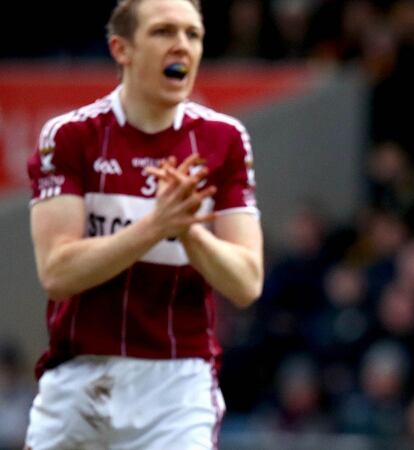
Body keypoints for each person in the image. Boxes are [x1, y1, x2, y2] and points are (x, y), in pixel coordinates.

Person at [24, 0, 264, 448]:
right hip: (79, 377)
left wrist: (188, 232)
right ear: (121, 49)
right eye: (163, 32)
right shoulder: (71, 136)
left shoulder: (224, 139)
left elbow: (247, 282)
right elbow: (57, 273)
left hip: (178, 386)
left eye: (193, 34)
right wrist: (155, 226)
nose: (182, 46)